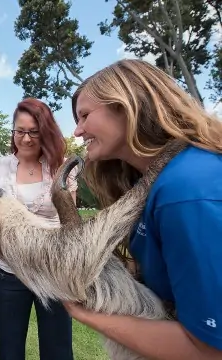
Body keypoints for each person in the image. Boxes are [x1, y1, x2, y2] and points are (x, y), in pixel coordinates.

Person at [64, 59, 222, 359]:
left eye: (84, 115)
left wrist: (89, 316)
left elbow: (210, 350)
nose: (77, 131)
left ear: (126, 106)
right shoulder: (155, 182)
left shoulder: (186, 190)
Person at [0, 98, 77, 360]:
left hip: (52, 271)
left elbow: (70, 223)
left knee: (57, 349)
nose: (25, 139)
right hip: (8, 272)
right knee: (9, 349)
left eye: (34, 132)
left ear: (45, 132)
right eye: (19, 131)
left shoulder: (61, 168)